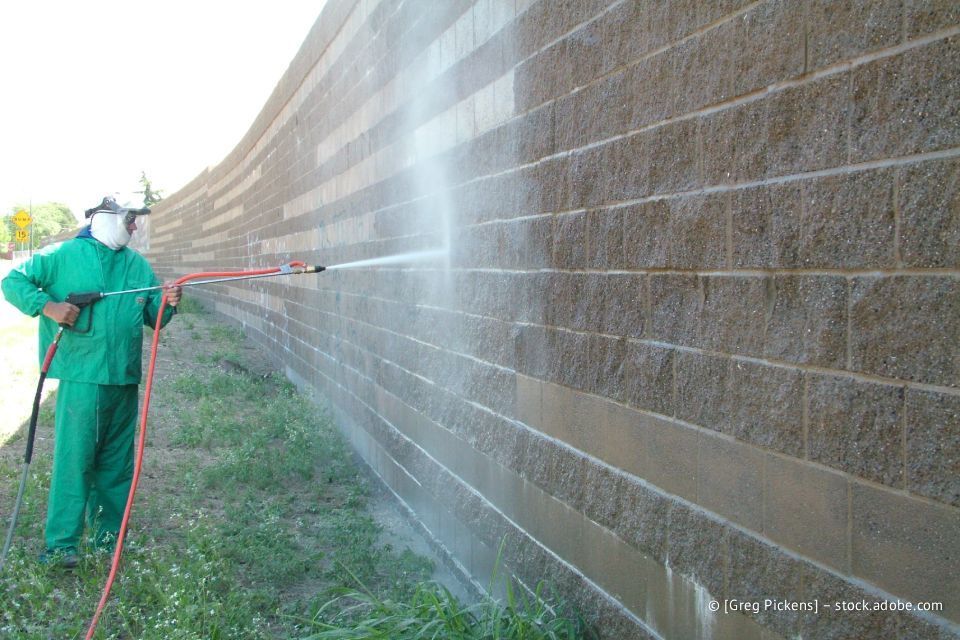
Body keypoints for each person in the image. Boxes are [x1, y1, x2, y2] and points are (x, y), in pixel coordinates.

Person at [1, 195, 182, 567]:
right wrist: (48, 307)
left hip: (123, 380)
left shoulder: (137, 266)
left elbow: (154, 317)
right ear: (106, 219)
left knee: (117, 466)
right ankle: (61, 546)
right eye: (129, 219)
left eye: (135, 220)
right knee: (76, 460)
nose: (134, 226)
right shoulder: (62, 256)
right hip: (81, 379)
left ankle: (107, 541)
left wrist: (170, 301)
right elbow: (12, 280)